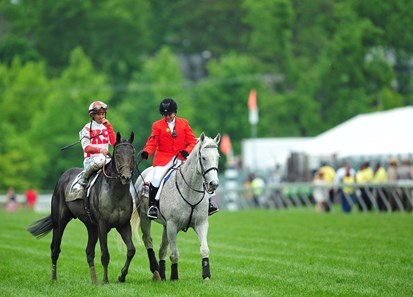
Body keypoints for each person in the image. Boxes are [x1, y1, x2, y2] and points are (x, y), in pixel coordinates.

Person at [140, 98, 219, 219]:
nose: (167, 117)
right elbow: (152, 142)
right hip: (163, 159)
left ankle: (209, 203)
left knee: (199, 175)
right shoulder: (157, 126)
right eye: (165, 114)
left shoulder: (184, 123)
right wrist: (146, 152)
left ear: (175, 112)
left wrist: (187, 151)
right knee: (155, 178)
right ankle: (153, 206)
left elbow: (193, 142)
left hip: (182, 158)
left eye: (169, 114)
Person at [78, 100, 116, 187]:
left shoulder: (106, 127)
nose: (101, 116)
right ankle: (84, 178)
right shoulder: (86, 128)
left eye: (103, 114)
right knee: (100, 160)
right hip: (91, 160)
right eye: (98, 114)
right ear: (92, 115)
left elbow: (114, 143)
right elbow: (86, 148)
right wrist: (100, 150)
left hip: (106, 160)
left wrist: (109, 127)